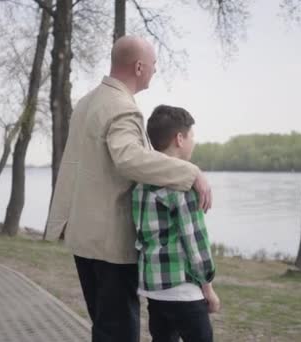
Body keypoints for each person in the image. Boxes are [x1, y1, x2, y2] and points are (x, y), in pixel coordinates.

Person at [44, 36, 213, 342]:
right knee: (118, 332)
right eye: (153, 65)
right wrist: (191, 172)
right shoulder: (122, 107)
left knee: (104, 326)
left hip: (83, 236)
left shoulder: (87, 102)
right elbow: (129, 159)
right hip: (110, 244)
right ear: (139, 67)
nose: (155, 71)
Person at [133, 105, 219, 342]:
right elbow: (195, 242)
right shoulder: (183, 185)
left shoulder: (140, 184)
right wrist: (208, 287)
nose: (194, 141)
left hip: (154, 289)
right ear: (179, 139)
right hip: (184, 292)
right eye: (192, 135)